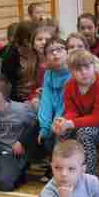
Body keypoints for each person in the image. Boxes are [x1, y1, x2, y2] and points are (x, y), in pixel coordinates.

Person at [55, 49, 99, 175]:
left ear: (93, 66)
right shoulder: (70, 85)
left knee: (84, 133)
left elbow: (98, 118)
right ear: (71, 72)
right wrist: (63, 122)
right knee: (62, 131)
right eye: (78, 69)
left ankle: (89, 176)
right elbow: (72, 111)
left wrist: (71, 123)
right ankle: (63, 171)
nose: (84, 72)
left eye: (87, 67)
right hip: (84, 122)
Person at [36, 37, 70, 165]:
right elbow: (46, 102)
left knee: (60, 132)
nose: (55, 53)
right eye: (51, 51)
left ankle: (59, 166)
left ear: (67, 52)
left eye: (59, 49)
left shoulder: (72, 73)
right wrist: (45, 127)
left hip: (67, 117)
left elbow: (64, 105)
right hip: (54, 119)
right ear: (46, 58)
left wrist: (53, 125)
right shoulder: (48, 74)